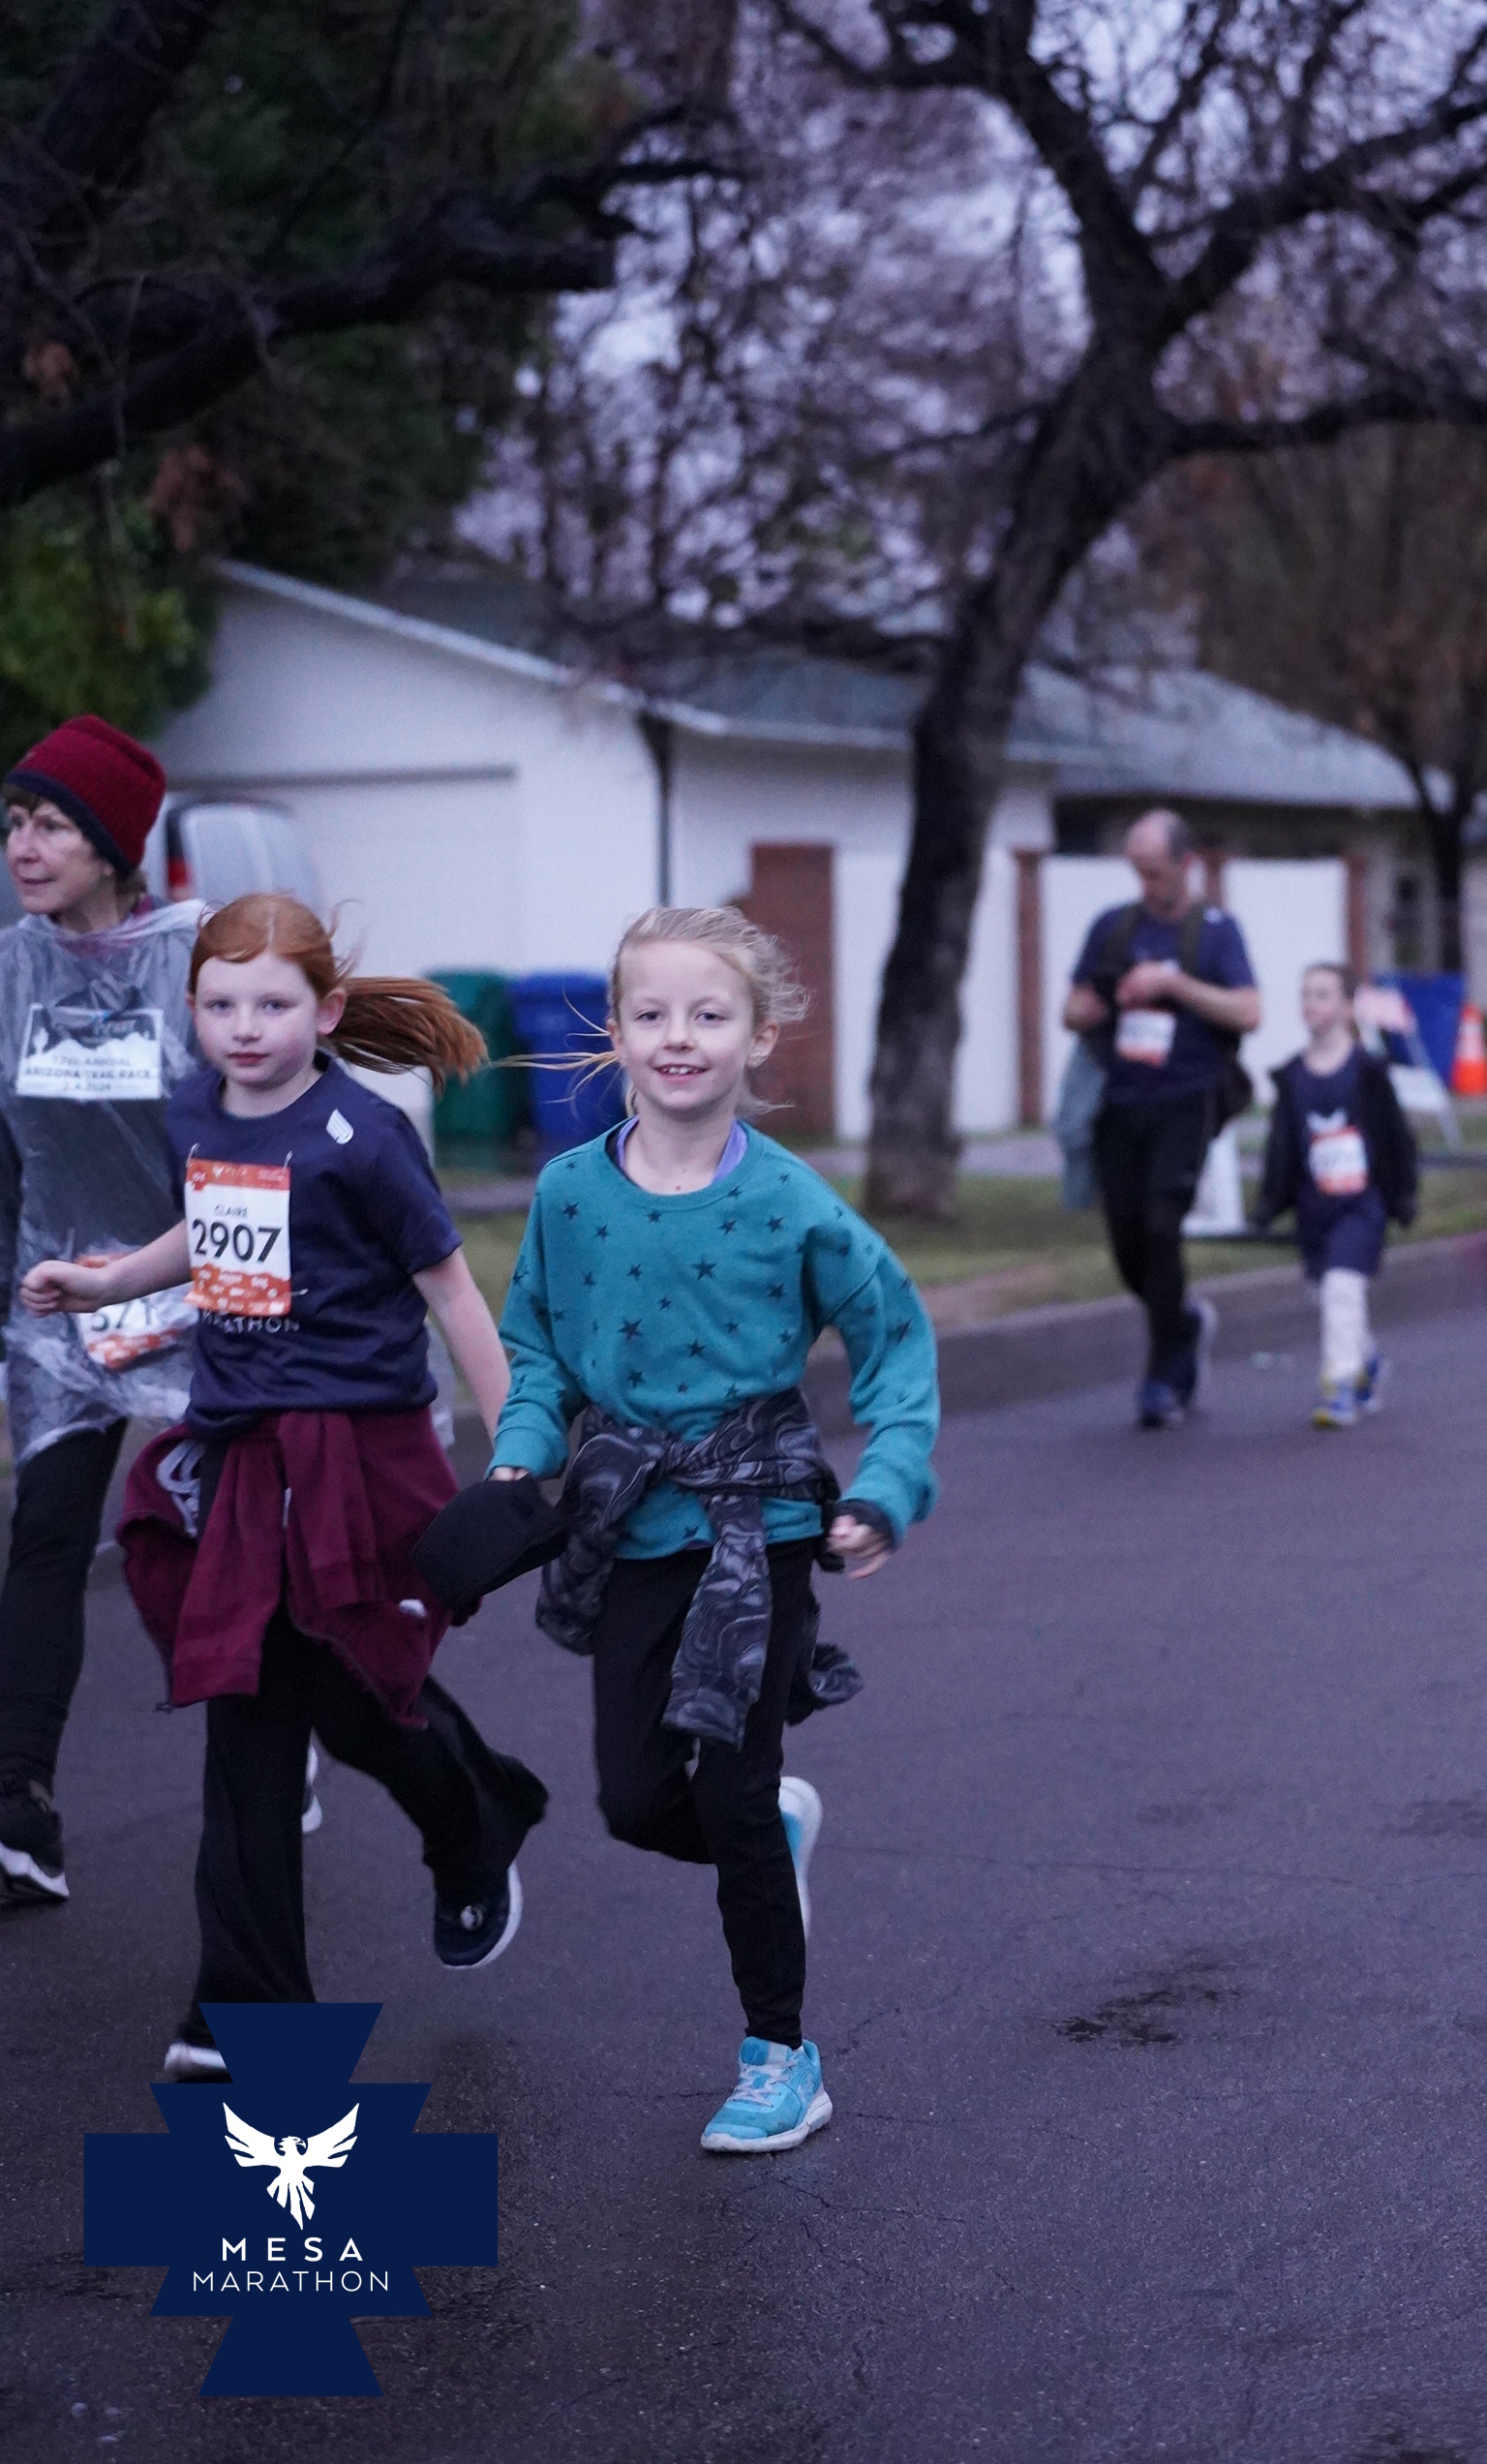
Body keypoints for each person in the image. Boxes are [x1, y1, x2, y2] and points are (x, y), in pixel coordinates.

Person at [20, 893, 547, 2080]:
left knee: (355, 1690)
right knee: (248, 1701)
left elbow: (452, 1293)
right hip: (242, 1448)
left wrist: (516, 1448)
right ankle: (244, 2006)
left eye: (271, 1003)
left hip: (359, 1451)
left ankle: (476, 1815)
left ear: (327, 1010)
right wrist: (107, 1282)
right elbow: (207, 1229)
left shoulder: (365, 1136)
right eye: (220, 1004)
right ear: (192, 1010)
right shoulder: (198, 1108)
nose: (245, 1026)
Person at [482, 903, 938, 2157]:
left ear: (759, 1036)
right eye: (651, 1014)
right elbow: (535, 1342)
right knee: (635, 1799)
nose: (677, 1036)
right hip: (632, 1524)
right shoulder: (569, 1193)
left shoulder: (793, 1202)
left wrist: (885, 1486)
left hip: (759, 1527)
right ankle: (769, 1832)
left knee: (729, 1795)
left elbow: (895, 1340)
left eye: (708, 1014)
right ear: (616, 1032)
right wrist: (523, 1445)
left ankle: (780, 2056)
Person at [0, 715, 202, 1903]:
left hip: (202, 1291)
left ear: (112, 844)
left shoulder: (193, 960)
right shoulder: (9, 971)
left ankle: (280, 1725)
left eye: (51, 824)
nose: (23, 846)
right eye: (14, 822)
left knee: (221, 1540)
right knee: (45, 1535)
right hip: (58, 1304)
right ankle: (19, 1804)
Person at [1063, 811, 1261, 1428]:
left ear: (1186, 864)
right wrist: (1106, 1000)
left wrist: (1173, 984)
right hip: (1122, 1099)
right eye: (1138, 873)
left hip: (1188, 1097)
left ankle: (1163, 1375)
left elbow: (1248, 1012)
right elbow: (1073, 1010)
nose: (1147, 885)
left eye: (1155, 873)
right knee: (1126, 1237)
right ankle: (1184, 1322)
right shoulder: (1113, 928)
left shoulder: (1216, 932)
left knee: (1161, 1223)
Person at [1253, 960, 1418, 1429]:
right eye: (1306, 994)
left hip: (1361, 1206)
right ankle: (1366, 1360)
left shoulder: (1367, 1073)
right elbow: (1282, 1148)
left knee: (1342, 1287)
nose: (1311, 1003)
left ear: (1347, 1008)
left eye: (1323, 994)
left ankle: (1339, 1386)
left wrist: (1402, 1196)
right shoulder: (1291, 1077)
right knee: (1326, 1294)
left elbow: (1396, 1140)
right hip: (1314, 1208)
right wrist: (1269, 1202)